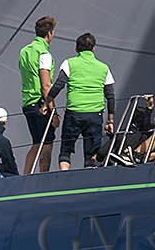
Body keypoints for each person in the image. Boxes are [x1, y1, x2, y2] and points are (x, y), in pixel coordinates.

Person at [47, 32, 116, 170]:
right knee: (91, 155)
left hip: (74, 113)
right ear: (93, 49)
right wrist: (110, 121)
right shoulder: (104, 68)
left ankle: (64, 177)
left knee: (65, 151)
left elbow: (58, 85)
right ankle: (87, 183)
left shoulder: (69, 63)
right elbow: (110, 96)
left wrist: (47, 101)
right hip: (95, 115)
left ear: (76, 49)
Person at [18, 16, 58, 174]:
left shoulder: (24, 51)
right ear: (49, 33)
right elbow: (46, 84)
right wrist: (53, 110)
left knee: (36, 143)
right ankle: (44, 177)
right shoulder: (44, 53)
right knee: (47, 143)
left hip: (27, 103)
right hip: (41, 103)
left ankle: (26, 175)